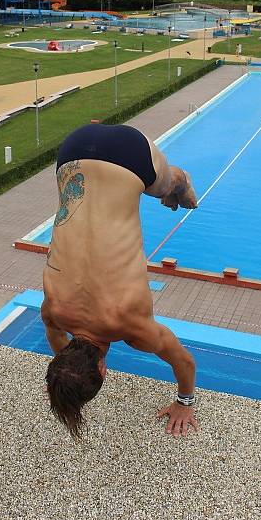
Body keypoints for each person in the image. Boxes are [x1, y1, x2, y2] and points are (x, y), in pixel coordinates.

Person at [42, 123, 199, 440]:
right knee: (136, 189)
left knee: (170, 184)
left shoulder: (131, 328)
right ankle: (103, 136)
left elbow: (184, 361)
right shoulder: (54, 309)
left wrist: (185, 402)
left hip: (132, 155)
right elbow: (57, 341)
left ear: (102, 370)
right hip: (74, 145)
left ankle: (181, 188)